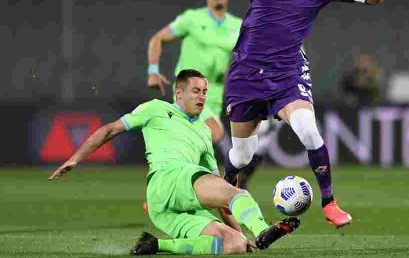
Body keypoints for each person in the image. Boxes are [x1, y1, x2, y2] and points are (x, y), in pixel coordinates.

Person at [203, 0, 399, 228]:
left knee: (308, 129)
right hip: (246, 73)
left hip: (287, 72)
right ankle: (223, 195)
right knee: (241, 157)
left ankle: (330, 203)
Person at [49, 69, 300, 255]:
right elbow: (109, 130)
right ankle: (262, 229)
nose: (202, 97)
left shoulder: (203, 131)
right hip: (168, 177)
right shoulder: (155, 108)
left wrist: (240, 234)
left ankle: (154, 245)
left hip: (166, 207)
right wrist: (75, 158)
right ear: (178, 93)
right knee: (237, 192)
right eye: (196, 91)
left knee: (233, 244)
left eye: (205, 92)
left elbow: (223, 200)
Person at [146, 0, 241, 143]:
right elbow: (158, 38)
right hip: (189, 91)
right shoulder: (191, 19)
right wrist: (153, 71)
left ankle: (172, 146)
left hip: (214, 96)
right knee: (215, 133)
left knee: (203, 146)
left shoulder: (238, 26)